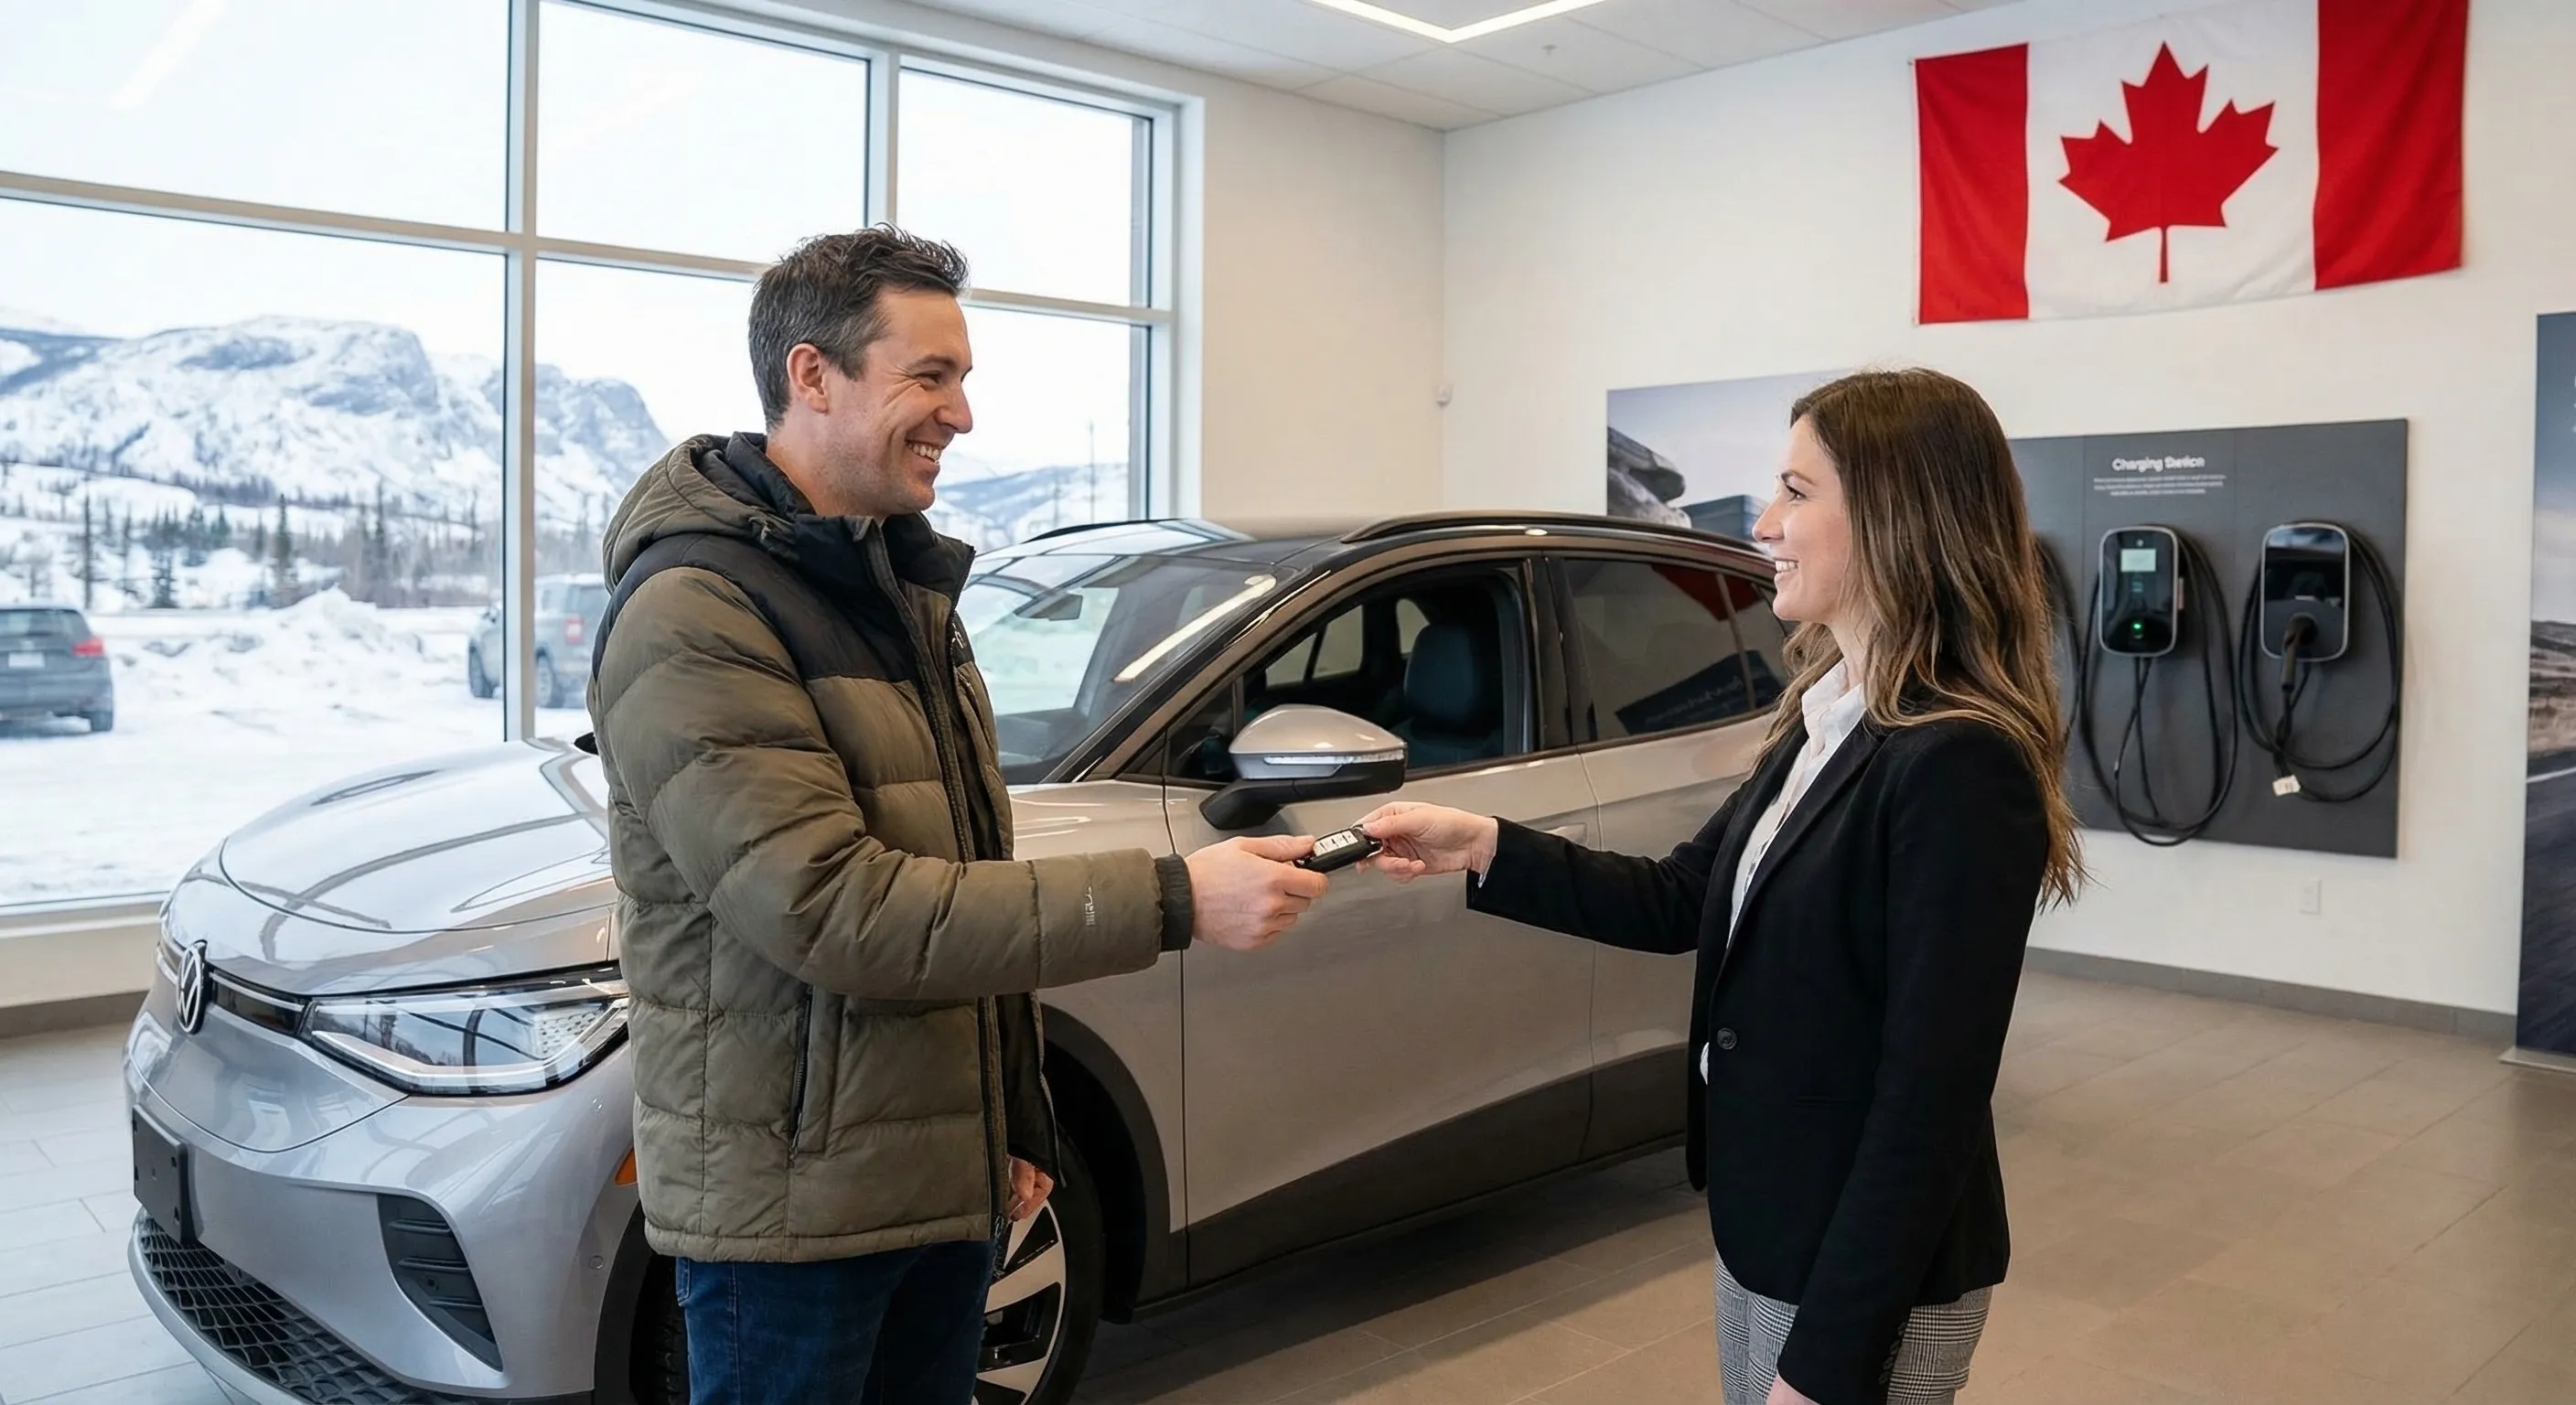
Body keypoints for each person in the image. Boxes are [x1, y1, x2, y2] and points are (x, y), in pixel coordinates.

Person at [585, 226, 1330, 1405]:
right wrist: (1178, 896)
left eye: (963, 378)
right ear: (812, 377)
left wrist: (1013, 1118)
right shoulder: (697, 609)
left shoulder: (895, 591)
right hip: (797, 1215)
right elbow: (835, 909)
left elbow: (961, 858)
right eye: (929, 377)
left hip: (934, 1179)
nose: (961, 415)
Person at [1360, 368, 2082, 1405]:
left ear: (1893, 517)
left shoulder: (1957, 765)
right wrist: (1478, 843)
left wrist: (1828, 1363)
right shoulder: (1827, 718)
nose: (1760, 524)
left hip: (1858, 1265)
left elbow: (1927, 1101)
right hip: (1775, 1220)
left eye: (1794, 491)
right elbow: (1678, 897)